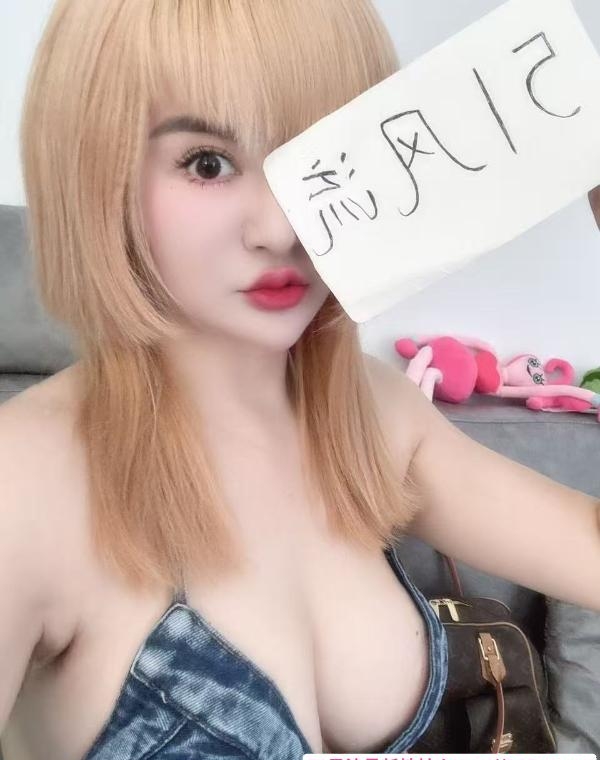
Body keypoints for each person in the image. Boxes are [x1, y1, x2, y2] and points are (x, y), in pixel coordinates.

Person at [1, 1, 599, 758]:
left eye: (315, 161)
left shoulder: (373, 417)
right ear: (95, 171)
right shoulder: (24, 484)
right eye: (207, 164)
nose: (280, 230)